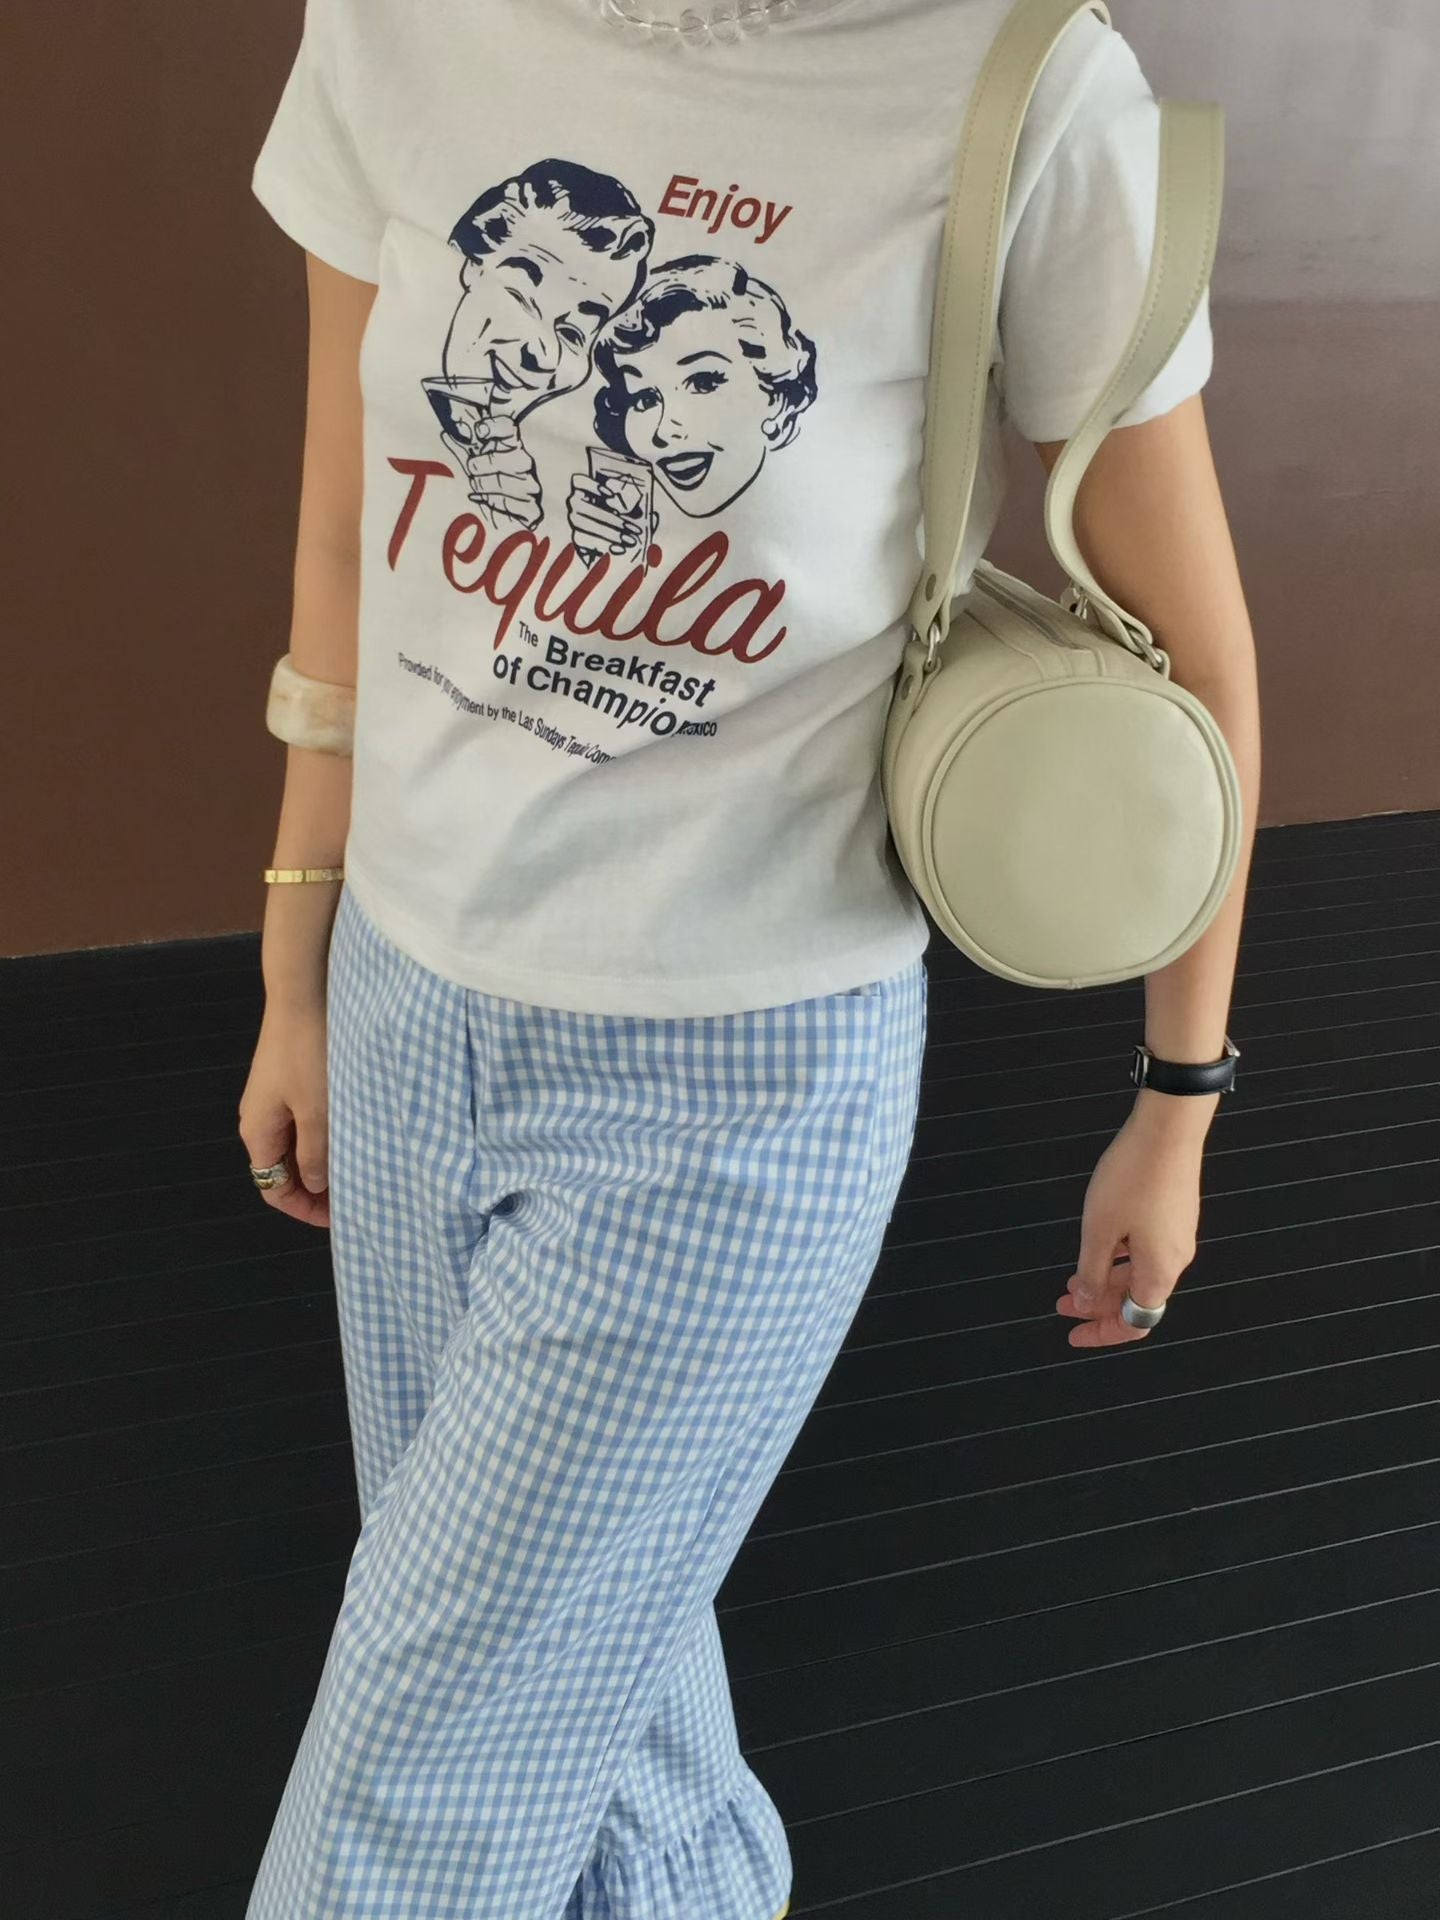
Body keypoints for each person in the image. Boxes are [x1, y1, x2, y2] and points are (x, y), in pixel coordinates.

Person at [238, 0, 1262, 1914]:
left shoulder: (1027, 86)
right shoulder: (400, 22)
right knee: (598, 1701)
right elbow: (341, 545)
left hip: (738, 1087)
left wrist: (1179, 1095)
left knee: (420, 1788)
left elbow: (1193, 661)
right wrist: (300, 959)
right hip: (403, 1003)